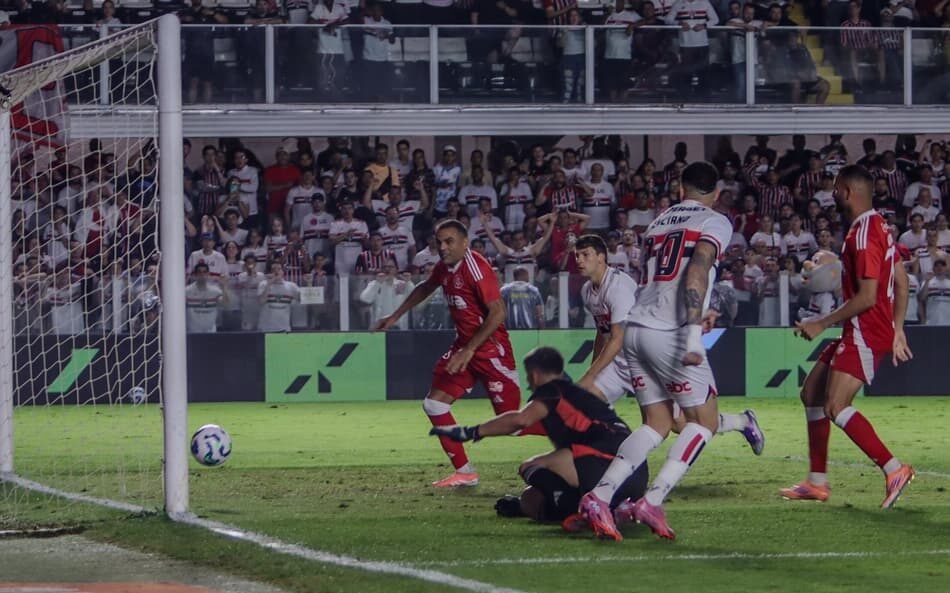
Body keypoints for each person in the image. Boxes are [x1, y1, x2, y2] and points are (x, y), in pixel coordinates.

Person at [577, 161, 735, 541]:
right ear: (715, 194)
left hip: (635, 329)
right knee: (704, 422)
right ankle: (653, 500)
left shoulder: (658, 222)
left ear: (681, 190)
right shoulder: (715, 221)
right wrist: (695, 336)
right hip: (670, 332)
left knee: (657, 424)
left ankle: (599, 496)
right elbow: (696, 272)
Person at [780, 165, 915, 509]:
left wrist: (821, 323)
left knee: (836, 406)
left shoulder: (863, 234)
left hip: (866, 330)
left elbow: (869, 297)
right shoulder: (880, 226)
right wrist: (898, 328)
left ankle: (894, 469)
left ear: (845, 192)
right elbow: (901, 282)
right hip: (868, 328)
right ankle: (816, 482)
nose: (832, 194)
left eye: (835, 189)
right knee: (811, 393)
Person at [373, 219, 542, 488]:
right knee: (434, 404)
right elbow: (426, 287)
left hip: (490, 352)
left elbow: (499, 313)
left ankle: (579, 430)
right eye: (439, 242)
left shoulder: (476, 268)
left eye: (449, 241)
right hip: (464, 348)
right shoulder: (444, 267)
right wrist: (394, 316)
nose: (442, 247)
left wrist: (469, 349)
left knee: (515, 424)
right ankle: (465, 472)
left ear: (465, 243)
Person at [574, 233, 763, 448]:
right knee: (584, 401)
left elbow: (618, 338)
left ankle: (742, 421)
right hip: (620, 364)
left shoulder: (618, 287)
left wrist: (591, 376)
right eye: (577, 255)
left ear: (601, 257)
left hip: (644, 359)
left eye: (585, 254)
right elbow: (603, 333)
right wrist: (594, 371)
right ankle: (597, 457)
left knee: (679, 424)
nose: (579, 260)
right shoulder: (587, 291)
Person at [430, 346, 648, 528]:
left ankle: (584, 512)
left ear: (534, 375)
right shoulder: (581, 396)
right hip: (636, 475)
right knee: (529, 498)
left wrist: (471, 432)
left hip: (605, 461)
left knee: (530, 467)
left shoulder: (552, 391)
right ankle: (613, 508)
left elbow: (520, 420)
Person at [185, 262, 226, 333]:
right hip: (193, 331)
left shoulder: (215, 291)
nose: (202, 275)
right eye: (199, 272)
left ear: (208, 274)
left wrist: (224, 288)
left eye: (204, 272)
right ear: (195, 275)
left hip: (211, 331)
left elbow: (226, 303)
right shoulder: (187, 291)